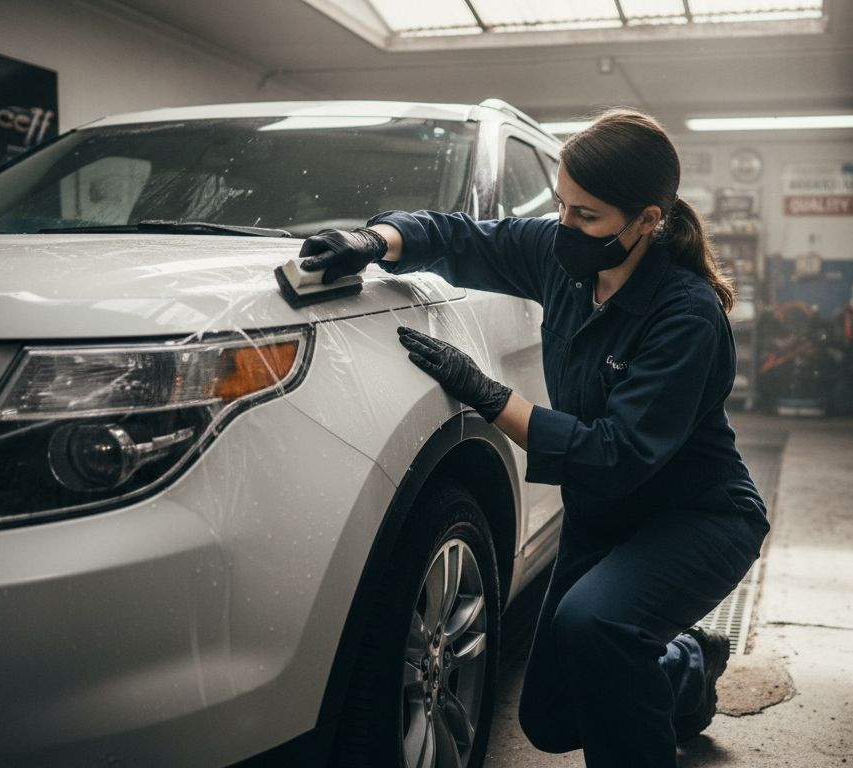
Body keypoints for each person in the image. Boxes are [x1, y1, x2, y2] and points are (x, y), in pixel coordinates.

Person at [298, 108, 770, 768]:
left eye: (588, 216)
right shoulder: (564, 260)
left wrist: (491, 397)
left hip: (694, 518)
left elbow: (614, 455)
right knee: (552, 719)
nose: (567, 227)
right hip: (604, 520)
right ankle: (687, 664)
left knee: (597, 626)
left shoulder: (686, 316)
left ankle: (651, 667)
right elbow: (461, 238)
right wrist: (375, 240)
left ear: (648, 222)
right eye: (562, 207)